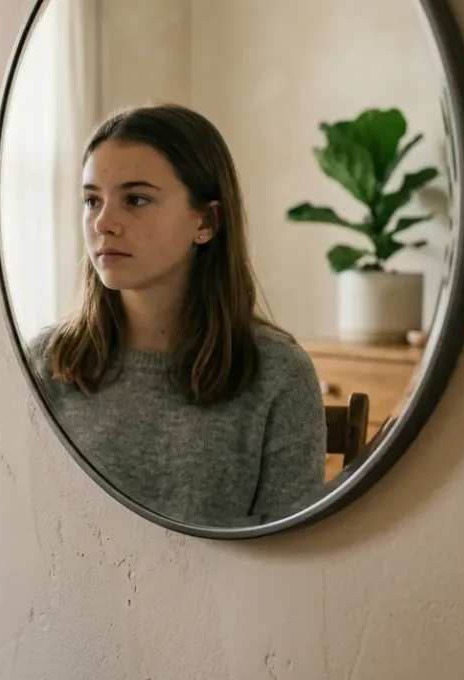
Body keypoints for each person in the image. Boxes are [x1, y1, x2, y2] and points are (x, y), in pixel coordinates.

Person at [26, 103, 326, 526]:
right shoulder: (46, 362)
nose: (103, 223)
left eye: (136, 199)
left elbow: (292, 555)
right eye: (91, 201)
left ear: (206, 220)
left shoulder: (279, 374)